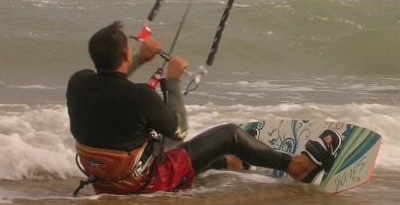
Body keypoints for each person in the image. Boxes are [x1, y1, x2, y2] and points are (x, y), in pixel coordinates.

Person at [67, 21, 339, 195]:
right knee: (228, 135)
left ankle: (230, 162)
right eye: (131, 48)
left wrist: (140, 58)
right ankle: (296, 166)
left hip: (106, 182)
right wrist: (173, 80)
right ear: (125, 55)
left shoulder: (78, 82)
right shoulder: (140, 97)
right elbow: (180, 131)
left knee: (161, 137)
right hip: (146, 183)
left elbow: (113, 85)